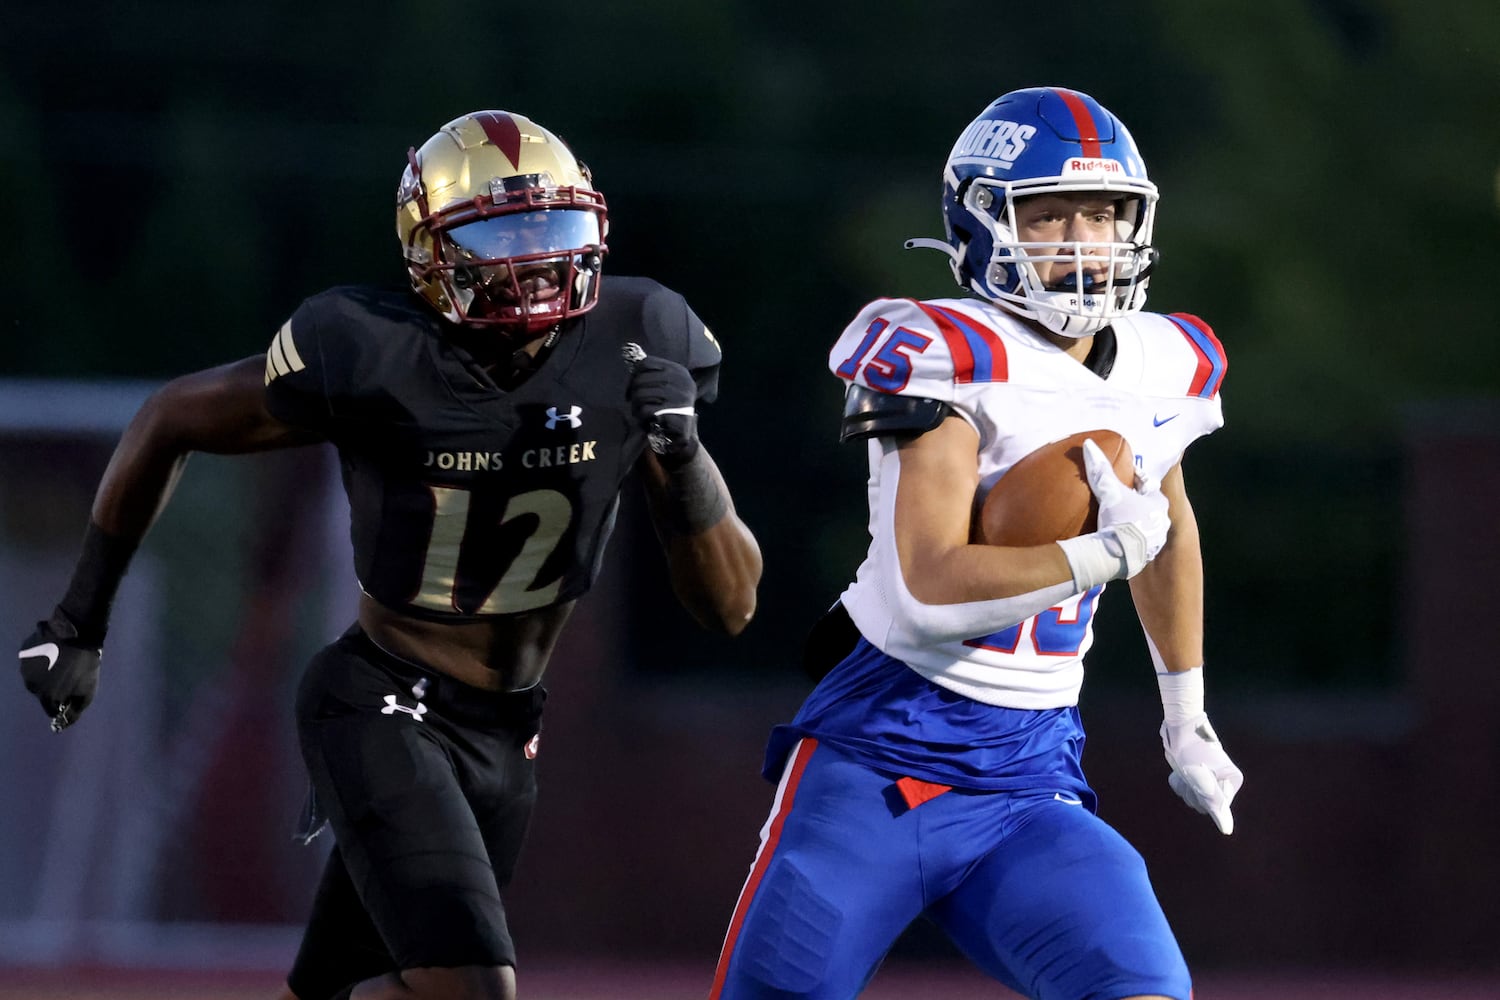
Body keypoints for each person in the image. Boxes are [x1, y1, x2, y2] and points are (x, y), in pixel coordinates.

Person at [16, 109, 762, 1000]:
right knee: (475, 988)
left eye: (550, 226)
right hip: (379, 703)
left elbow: (730, 607)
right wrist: (80, 620)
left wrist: (681, 459)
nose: (533, 259)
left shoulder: (638, 334)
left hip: (508, 733)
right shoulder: (369, 347)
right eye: (499, 232)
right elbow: (169, 417)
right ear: (427, 254)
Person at [709, 87, 1242, 1000]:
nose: (1083, 238)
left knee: (1144, 989)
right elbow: (925, 594)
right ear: (987, 224)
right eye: (1051, 214)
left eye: (1104, 213)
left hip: (1033, 776)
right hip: (883, 755)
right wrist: (1101, 558)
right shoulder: (948, 350)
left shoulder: (1167, 361)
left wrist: (1184, 713)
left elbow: (1171, 525)